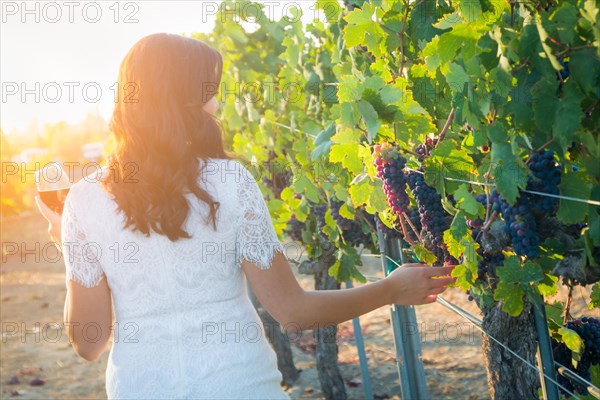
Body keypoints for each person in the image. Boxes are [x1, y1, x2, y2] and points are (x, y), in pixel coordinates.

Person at [35, 33, 455, 400]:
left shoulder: (84, 201)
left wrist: (68, 243)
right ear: (184, 99)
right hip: (239, 385)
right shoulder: (229, 181)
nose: (215, 103)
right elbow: (293, 311)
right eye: (208, 91)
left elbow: (88, 343)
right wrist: (390, 289)